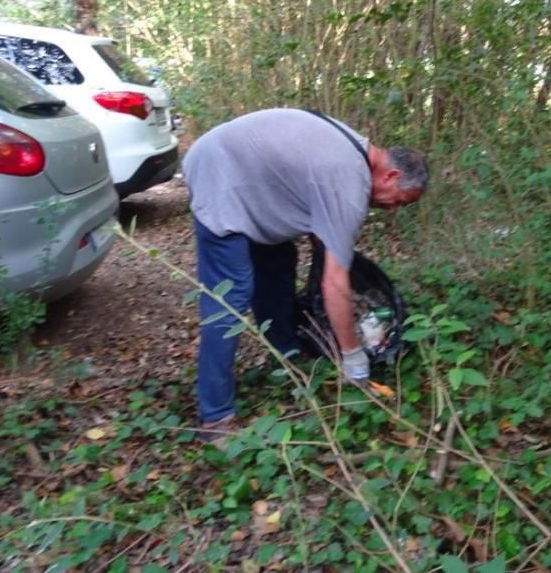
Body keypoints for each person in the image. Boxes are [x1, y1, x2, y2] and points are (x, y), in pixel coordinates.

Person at [182, 107, 429, 442]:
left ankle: (286, 353)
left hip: (246, 178)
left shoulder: (355, 151)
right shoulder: (350, 185)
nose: (392, 209)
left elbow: (308, 188)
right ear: (391, 176)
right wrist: (352, 356)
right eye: (398, 201)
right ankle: (214, 418)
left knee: (279, 257)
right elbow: (334, 283)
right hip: (219, 173)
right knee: (229, 297)